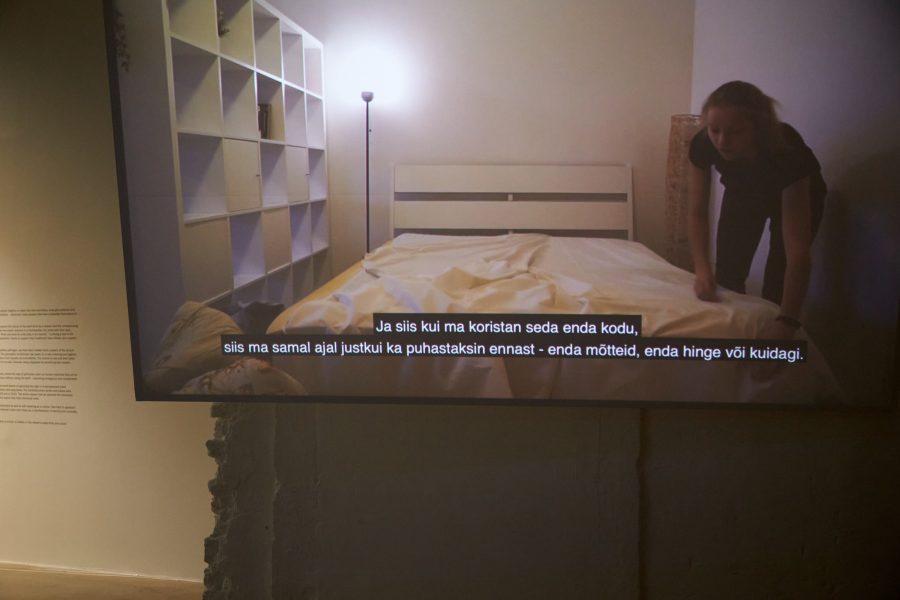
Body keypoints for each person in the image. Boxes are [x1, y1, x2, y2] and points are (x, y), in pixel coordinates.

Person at [687, 81, 826, 339]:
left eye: (735, 132)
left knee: (778, 281)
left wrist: (787, 322)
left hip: (795, 193)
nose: (722, 141)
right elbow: (697, 211)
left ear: (758, 128)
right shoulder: (704, 143)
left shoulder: (786, 149)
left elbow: (797, 251)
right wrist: (702, 269)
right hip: (744, 190)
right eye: (714, 130)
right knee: (728, 273)